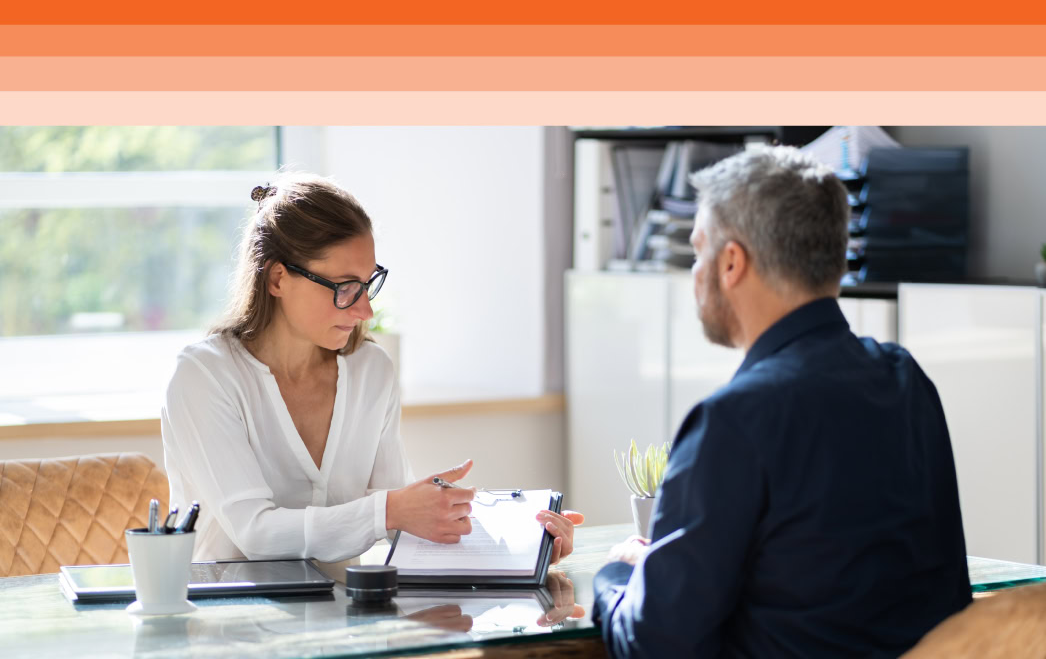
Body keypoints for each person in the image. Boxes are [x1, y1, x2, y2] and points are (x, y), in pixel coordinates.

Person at [592, 145, 970, 658]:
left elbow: (653, 643)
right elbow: (944, 594)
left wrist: (617, 577)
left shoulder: (732, 421)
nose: (695, 272)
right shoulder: (907, 382)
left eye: (698, 250)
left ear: (731, 262)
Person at [161, 173, 582, 564]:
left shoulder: (371, 370)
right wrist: (390, 510)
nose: (365, 310)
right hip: (231, 615)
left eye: (367, 284)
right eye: (345, 288)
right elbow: (256, 533)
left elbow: (403, 522)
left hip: (345, 611)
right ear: (277, 280)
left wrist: (525, 543)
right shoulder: (205, 376)